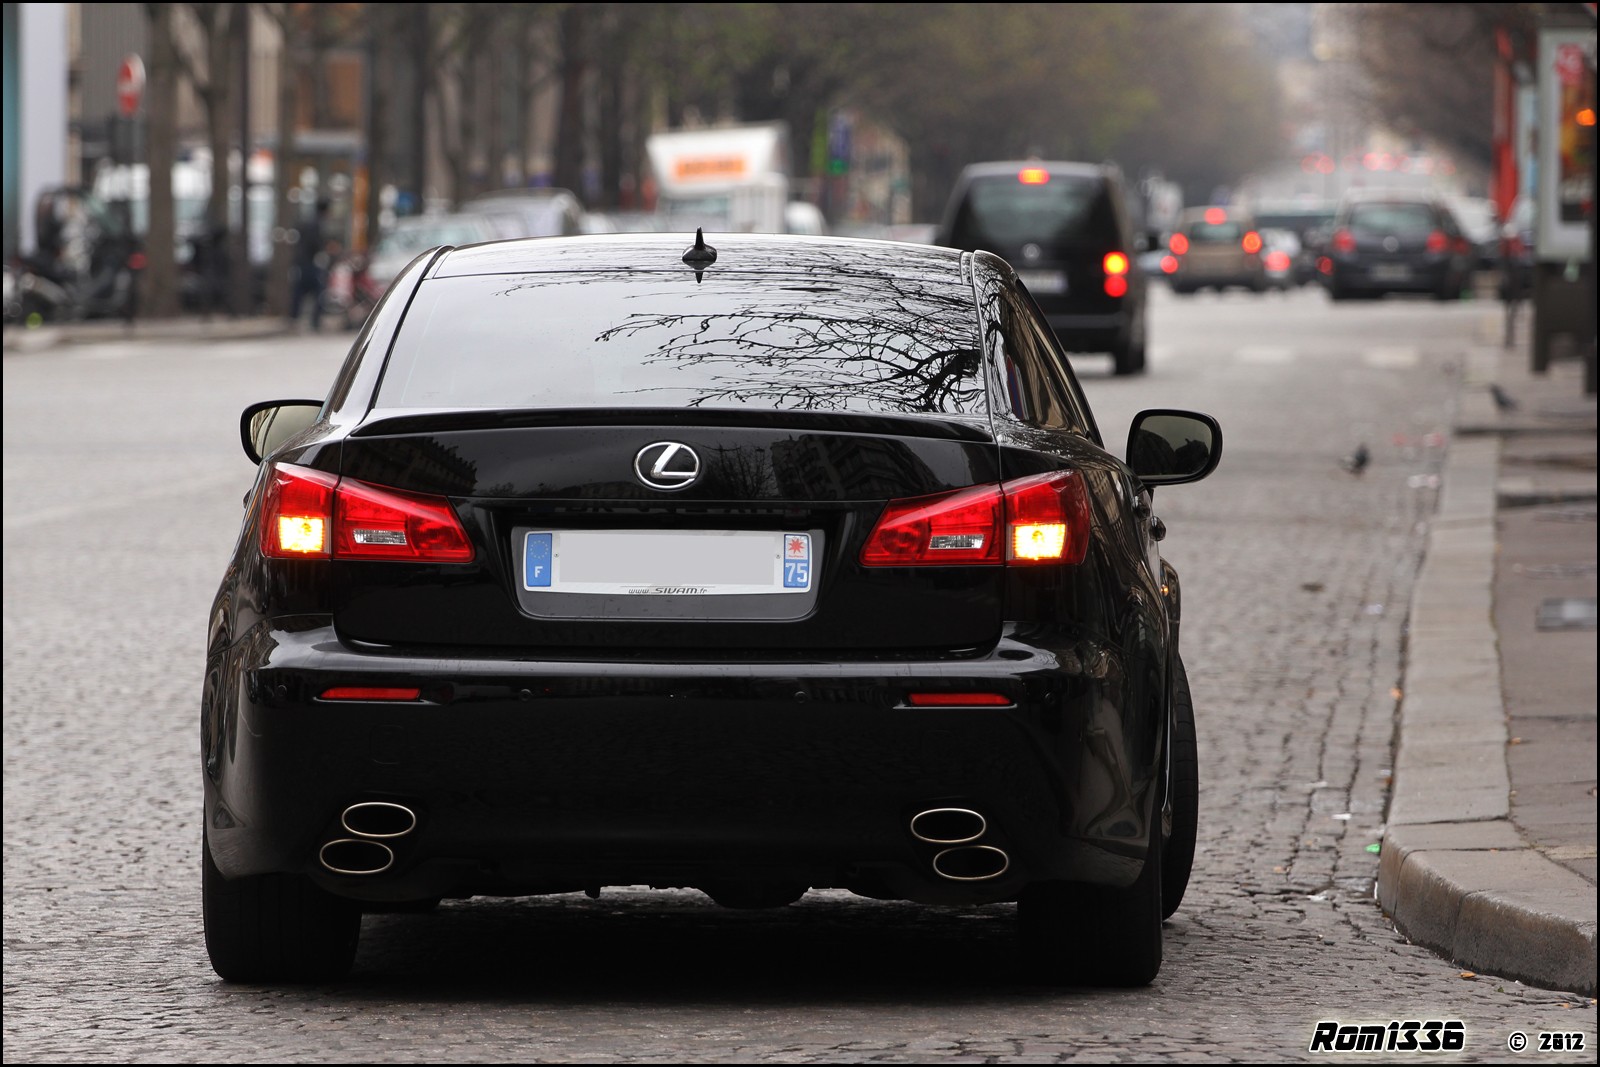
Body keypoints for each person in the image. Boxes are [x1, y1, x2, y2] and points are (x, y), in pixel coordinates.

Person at [289, 199, 331, 331]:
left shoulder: (307, 221)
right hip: (310, 262)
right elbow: (315, 243)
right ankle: (314, 320)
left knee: (300, 291)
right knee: (318, 291)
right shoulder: (317, 224)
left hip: (302, 262)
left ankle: (295, 317)